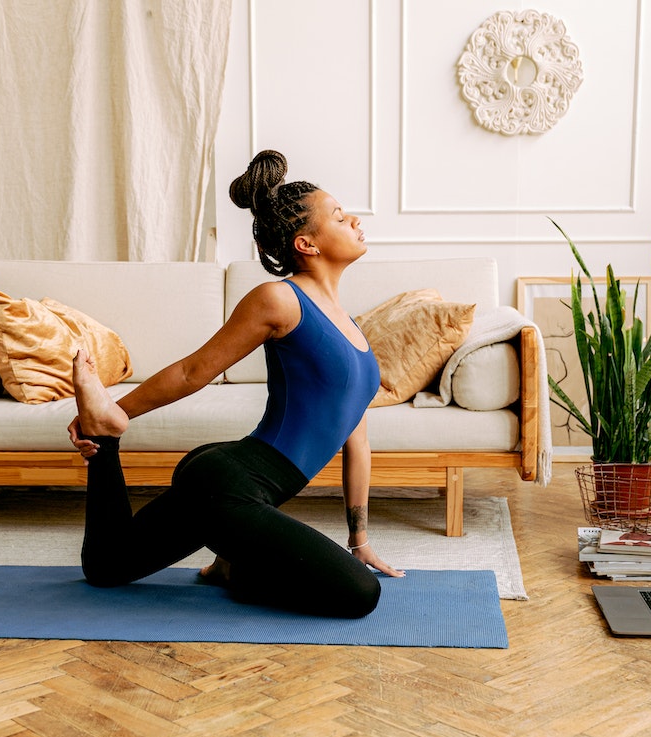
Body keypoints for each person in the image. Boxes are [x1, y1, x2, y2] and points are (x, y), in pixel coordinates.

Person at [67, 149, 404, 619]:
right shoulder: (280, 299)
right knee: (359, 595)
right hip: (230, 482)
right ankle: (109, 428)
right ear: (307, 243)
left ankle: (108, 448)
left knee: (107, 568)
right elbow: (194, 371)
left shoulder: (352, 330)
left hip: (236, 486)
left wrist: (359, 540)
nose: (353, 220)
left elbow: (357, 440)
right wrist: (119, 409)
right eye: (339, 215)